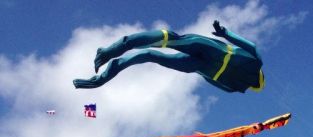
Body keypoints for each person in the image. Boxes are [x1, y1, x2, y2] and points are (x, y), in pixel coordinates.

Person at [73, 21, 264, 94]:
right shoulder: (235, 88)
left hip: (209, 51)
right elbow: (210, 79)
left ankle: (113, 50)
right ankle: (104, 74)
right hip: (200, 63)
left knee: (169, 39)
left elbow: (252, 46)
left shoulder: (257, 63)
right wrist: (196, 67)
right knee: (152, 55)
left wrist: (225, 33)